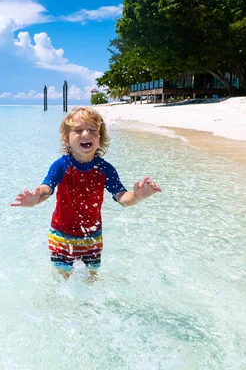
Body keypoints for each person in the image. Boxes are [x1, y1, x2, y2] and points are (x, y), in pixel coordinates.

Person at [10, 106, 162, 274]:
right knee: (63, 280)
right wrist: (35, 198)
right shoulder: (61, 165)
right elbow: (47, 189)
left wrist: (137, 196)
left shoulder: (106, 169)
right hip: (61, 236)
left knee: (91, 281)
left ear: (99, 139)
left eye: (92, 130)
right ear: (67, 140)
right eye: (78, 130)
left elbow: (123, 199)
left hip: (92, 237)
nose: (86, 134)